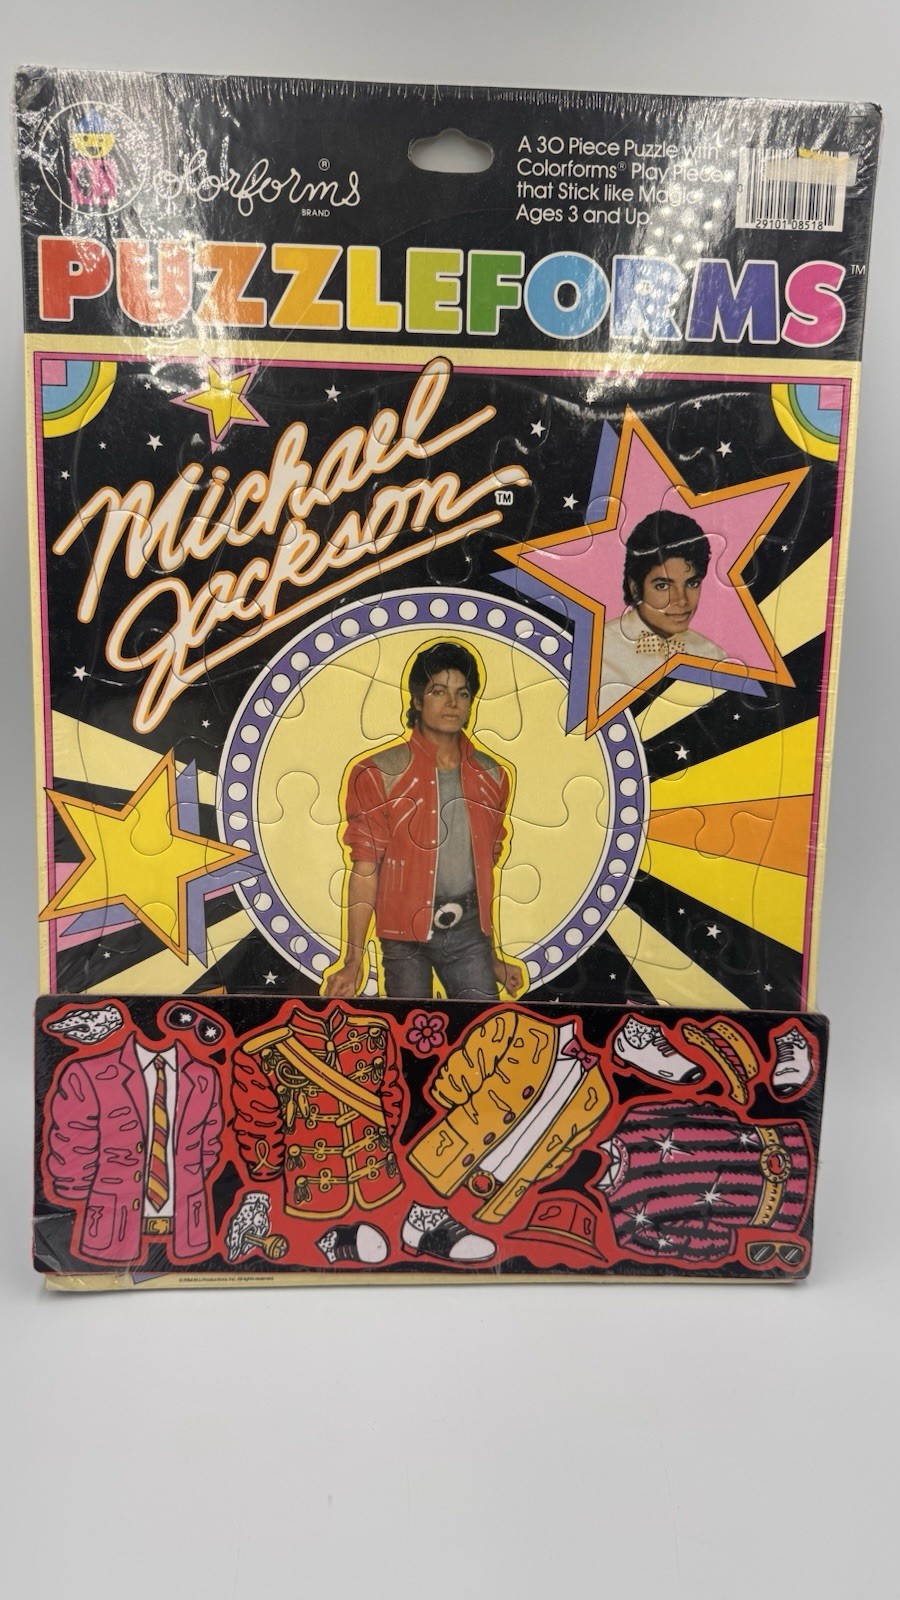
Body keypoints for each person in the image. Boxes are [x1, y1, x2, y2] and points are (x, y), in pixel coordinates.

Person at [325, 641, 523, 1001]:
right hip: (403, 935)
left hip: (469, 934)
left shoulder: (493, 776)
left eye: (462, 693)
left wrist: (491, 956)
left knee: (484, 1027)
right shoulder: (377, 773)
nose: (452, 703)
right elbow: (365, 868)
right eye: (438, 691)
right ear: (417, 701)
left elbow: (481, 871)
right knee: (411, 1030)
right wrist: (353, 960)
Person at [599, 510, 727, 708]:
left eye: (692, 583)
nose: (681, 600)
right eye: (663, 586)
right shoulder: (597, 652)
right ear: (636, 589)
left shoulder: (712, 655)